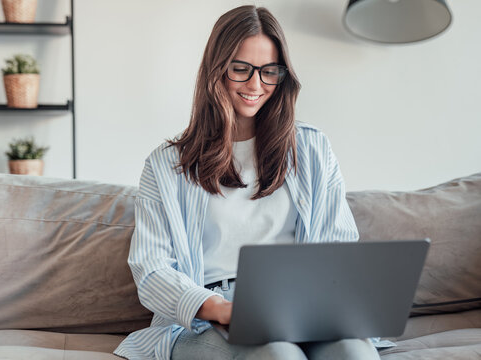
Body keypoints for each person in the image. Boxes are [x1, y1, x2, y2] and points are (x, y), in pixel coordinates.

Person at [114, 5, 381, 360]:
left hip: (300, 305)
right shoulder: (166, 165)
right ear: (216, 69)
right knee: (279, 355)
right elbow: (151, 269)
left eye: (269, 72)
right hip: (210, 315)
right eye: (241, 69)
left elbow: (339, 246)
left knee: (354, 352)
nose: (256, 85)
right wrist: (220, 309)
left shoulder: (313, 148)